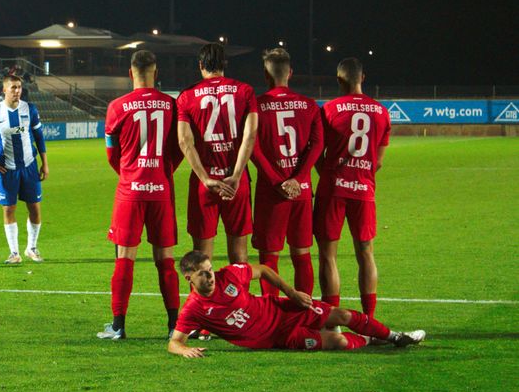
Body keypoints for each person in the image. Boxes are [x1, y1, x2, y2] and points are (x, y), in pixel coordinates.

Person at [167, 250, 425, 357]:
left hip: (283, 310)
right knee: (339, 342)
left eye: (210, 269)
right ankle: (372, 340)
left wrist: (290, 293)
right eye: (203, 273)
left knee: (343, 316)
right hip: (279, 338)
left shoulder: (230, 275)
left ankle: (396, 336)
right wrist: (184, 350)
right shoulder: (194, 309)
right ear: (189, 278)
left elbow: (264, 270)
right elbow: (174, 342)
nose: (210, 276)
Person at [97, 50, 183, 340]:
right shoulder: (171, 105)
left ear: (130, 73)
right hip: (161, 190)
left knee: (125, 258)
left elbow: (112, 155)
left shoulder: (116, 107)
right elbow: (179, 149)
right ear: (156, 74)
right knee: (166, 260)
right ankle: (175, 325)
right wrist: (161, 172)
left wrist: (130, 174)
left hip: (129, 191)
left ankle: (118, 326)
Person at [314, 58, 391, 316]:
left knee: (327, 256)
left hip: (332, 189)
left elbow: (316, 151)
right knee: (366, 253)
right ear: (363, 78)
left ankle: (332, 320)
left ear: (339, 79)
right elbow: (377, 162)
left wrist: (327, 173)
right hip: (364, 190)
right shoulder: (381, 112)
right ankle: (369, 318)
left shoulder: (329, 110)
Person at [176, 42, 258, 264]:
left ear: (201, 65)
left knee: (201, 257)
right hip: (236, 183)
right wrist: (237, 175)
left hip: (204, 184)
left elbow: (184, 140)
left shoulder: (187, 96)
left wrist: (205, 178)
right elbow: (250, 136)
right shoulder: (245, 91)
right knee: (240, 256)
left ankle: (203, 300)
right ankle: (238, 299)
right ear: (224, 64)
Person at [250, 48, 323, 298]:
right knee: (301, 254)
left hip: (271, 193)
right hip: (300, 192)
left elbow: (253, 148)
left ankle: (271, 312)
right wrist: (300, 179)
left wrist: (276, 181)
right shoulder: (309, 105)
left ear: (265, 75)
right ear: (290, 73)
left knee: (269, 258)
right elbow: (317, 145)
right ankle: (306, 313)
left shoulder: (257, 106)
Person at [0, 73, 49, 264]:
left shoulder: (29, 109)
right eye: (13, 87)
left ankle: (31, 247)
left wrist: (45, 163)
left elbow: (39, 137)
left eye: (19, 87)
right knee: (8, 209)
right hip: (7, 169)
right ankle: (14, 253)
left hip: (29, 166)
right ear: (4, 90)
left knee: (34, 208)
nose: (17, 91)